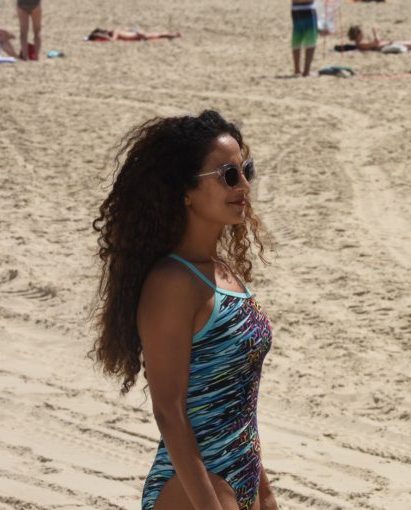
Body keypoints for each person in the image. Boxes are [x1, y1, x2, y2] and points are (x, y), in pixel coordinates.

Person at [91, 111, 278, 510]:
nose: (244, 186)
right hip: (193, 489)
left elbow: (238, 403)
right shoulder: (172, 284)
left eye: (246, 171)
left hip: (239, 478)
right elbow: (169, 410)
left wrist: (264, 491)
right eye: (228, 175)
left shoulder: (224, 273)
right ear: (185, 190)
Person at [345, 24, 411, 52]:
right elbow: (376, 42)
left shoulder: (360, 43)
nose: (363, 33)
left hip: (388, 44)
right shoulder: (361, 44)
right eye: (361, 32)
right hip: (387, 46)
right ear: (357, 34)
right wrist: (376, 32)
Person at [292, 0, 318, 77]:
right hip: (308, 9)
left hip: (295, 9)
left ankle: (297, 69)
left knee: (297, 37)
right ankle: (306, 71)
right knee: (310, 40)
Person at [87, 28, 181, 41]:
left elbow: (112, 40)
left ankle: (174, 35)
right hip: (136, 35)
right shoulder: (114, 31)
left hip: (137, 35)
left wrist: (99, 35)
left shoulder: (114, 31)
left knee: (157, 35)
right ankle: (173, 34)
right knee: (156, 35)